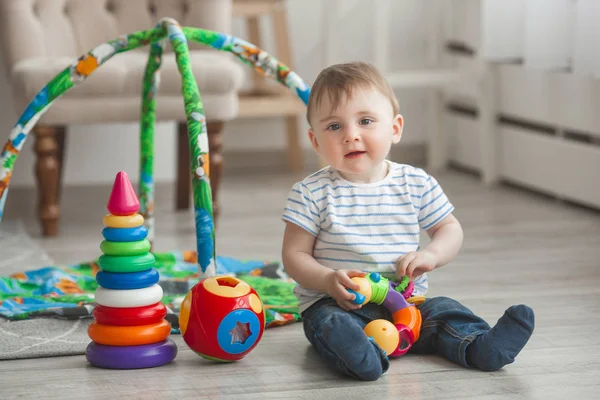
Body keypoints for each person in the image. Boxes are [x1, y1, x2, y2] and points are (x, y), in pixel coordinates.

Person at [280, 61, 535, 381]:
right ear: (315, 141)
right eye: (334, 127)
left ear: (395, 128)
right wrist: (328, 279)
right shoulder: (311, 192)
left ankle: (480, 346)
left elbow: (449, 229)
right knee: (330, 325)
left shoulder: (415, 183)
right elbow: (294, 256)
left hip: (408, 305)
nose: (351, 135)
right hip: (341, 304)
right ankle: (361, 355)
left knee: (444, 311)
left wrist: (431, 255)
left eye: (365, 121)